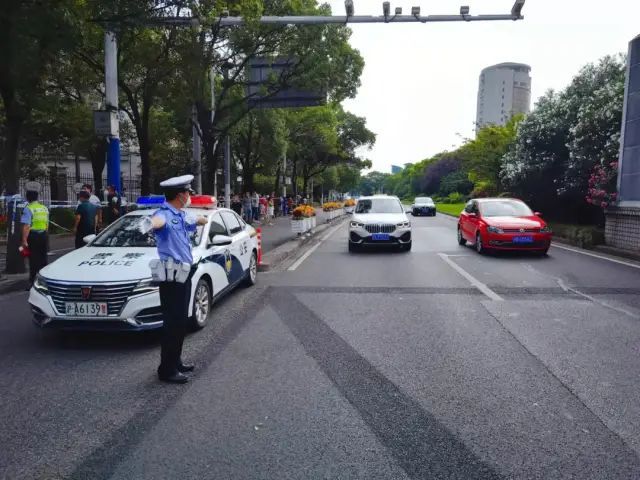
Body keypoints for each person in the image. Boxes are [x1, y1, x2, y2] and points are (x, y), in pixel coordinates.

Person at [148, 174, 207, 384]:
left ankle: (176, 361)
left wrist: (203, 217)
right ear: (180, 195)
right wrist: (150, 224)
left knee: (181, 321)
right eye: (187, 193)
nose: (189, 196)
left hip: (183, 273)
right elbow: (156, 222)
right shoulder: (163, 214)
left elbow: (196, 221)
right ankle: (166, 369)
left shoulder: (180, 214)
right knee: (172, 322)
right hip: (171, 276)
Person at [20, 190, 49, 286]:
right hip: (43, 235)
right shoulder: (44, 208)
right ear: (37, 197)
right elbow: (47, 224)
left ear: (27, 198)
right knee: (43, 258)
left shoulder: (28, 208)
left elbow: (27, 226)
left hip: (33, 236)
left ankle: (32, 281)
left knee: (33, 259)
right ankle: (45, 280)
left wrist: (24, 240)